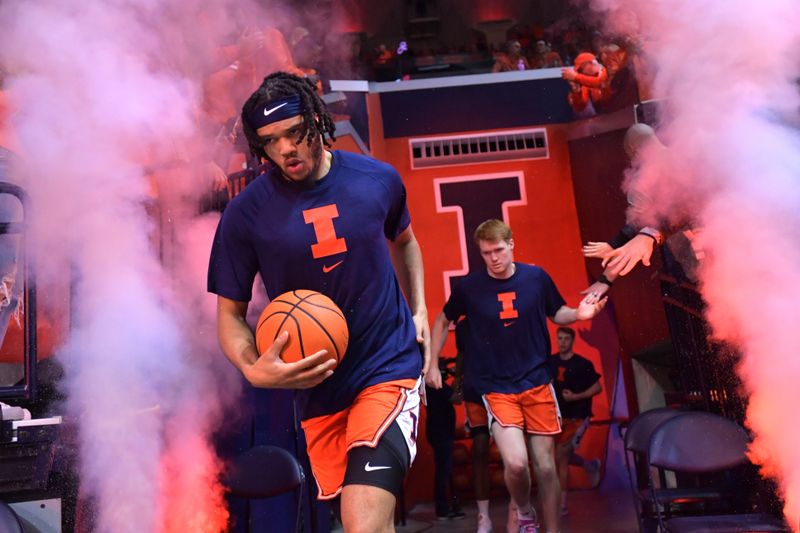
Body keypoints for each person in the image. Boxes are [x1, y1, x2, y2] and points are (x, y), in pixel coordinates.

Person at [208, 71, 430, 533]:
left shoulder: (377, 179)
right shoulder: (244, 214)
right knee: (365, 526)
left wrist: (420, 309)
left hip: (387, 368)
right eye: (271, 141)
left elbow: (406, 242)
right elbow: (229, 316)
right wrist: (251, 366)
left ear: (316, 120)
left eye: (294, 133)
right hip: (318, 391)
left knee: (362, 524)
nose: (286, 148)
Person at [427, 219, 607, 533]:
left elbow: (557, 312)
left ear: (512, 244)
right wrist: (430, 364)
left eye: (498, 250)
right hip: (496, 387)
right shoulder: (469, 288)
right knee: (516, 463)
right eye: (486, 253)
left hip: (537, 383)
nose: (493, 258)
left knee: (547, 467)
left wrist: (579, 314)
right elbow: (443, 320)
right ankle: (524, 513)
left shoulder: (536, 278)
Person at [451, 319, 518, 533]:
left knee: (510, 453)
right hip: (475, 390)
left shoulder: (495, 313)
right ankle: (484, 517)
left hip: (501, 388)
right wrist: (457, 384)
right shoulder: (462, 327)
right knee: (479, 449)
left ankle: (515, 509)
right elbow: (462, 354)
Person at [549, 326, 602, 517]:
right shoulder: (551, 362)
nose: (562, 342)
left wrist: (576, 396)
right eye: (559, 338)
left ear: (572, 341)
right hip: (558, 418)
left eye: (565, 339)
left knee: (561, 456)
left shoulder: (583, 364)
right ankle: (589, 466)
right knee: (559, 456)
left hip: (578, 416)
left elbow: (597, 388)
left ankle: (562, 504)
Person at [424, 357, 465, 521]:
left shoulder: (433, 387)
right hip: (440, 433)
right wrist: (458, 380)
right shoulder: (436, 387)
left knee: (445, 470)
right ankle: (442, 508)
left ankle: (446, 506)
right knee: (443, 470)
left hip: (439, 432)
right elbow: (457, 399)